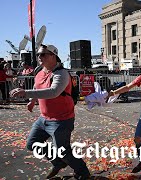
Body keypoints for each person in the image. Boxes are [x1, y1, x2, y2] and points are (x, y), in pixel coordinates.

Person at [10, 44, 90, 179]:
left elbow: (54, 92)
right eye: (38, 55)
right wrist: (32, 100)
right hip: (44, 118)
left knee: (63, 151)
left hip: (62, 119)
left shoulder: (61, 73)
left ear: (53, 56)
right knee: (32, 144)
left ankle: (83, 172)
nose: (39, 57)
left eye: (43, 54)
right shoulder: (39, 71)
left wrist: (25, 92)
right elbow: (37, 85)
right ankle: (58, 163)